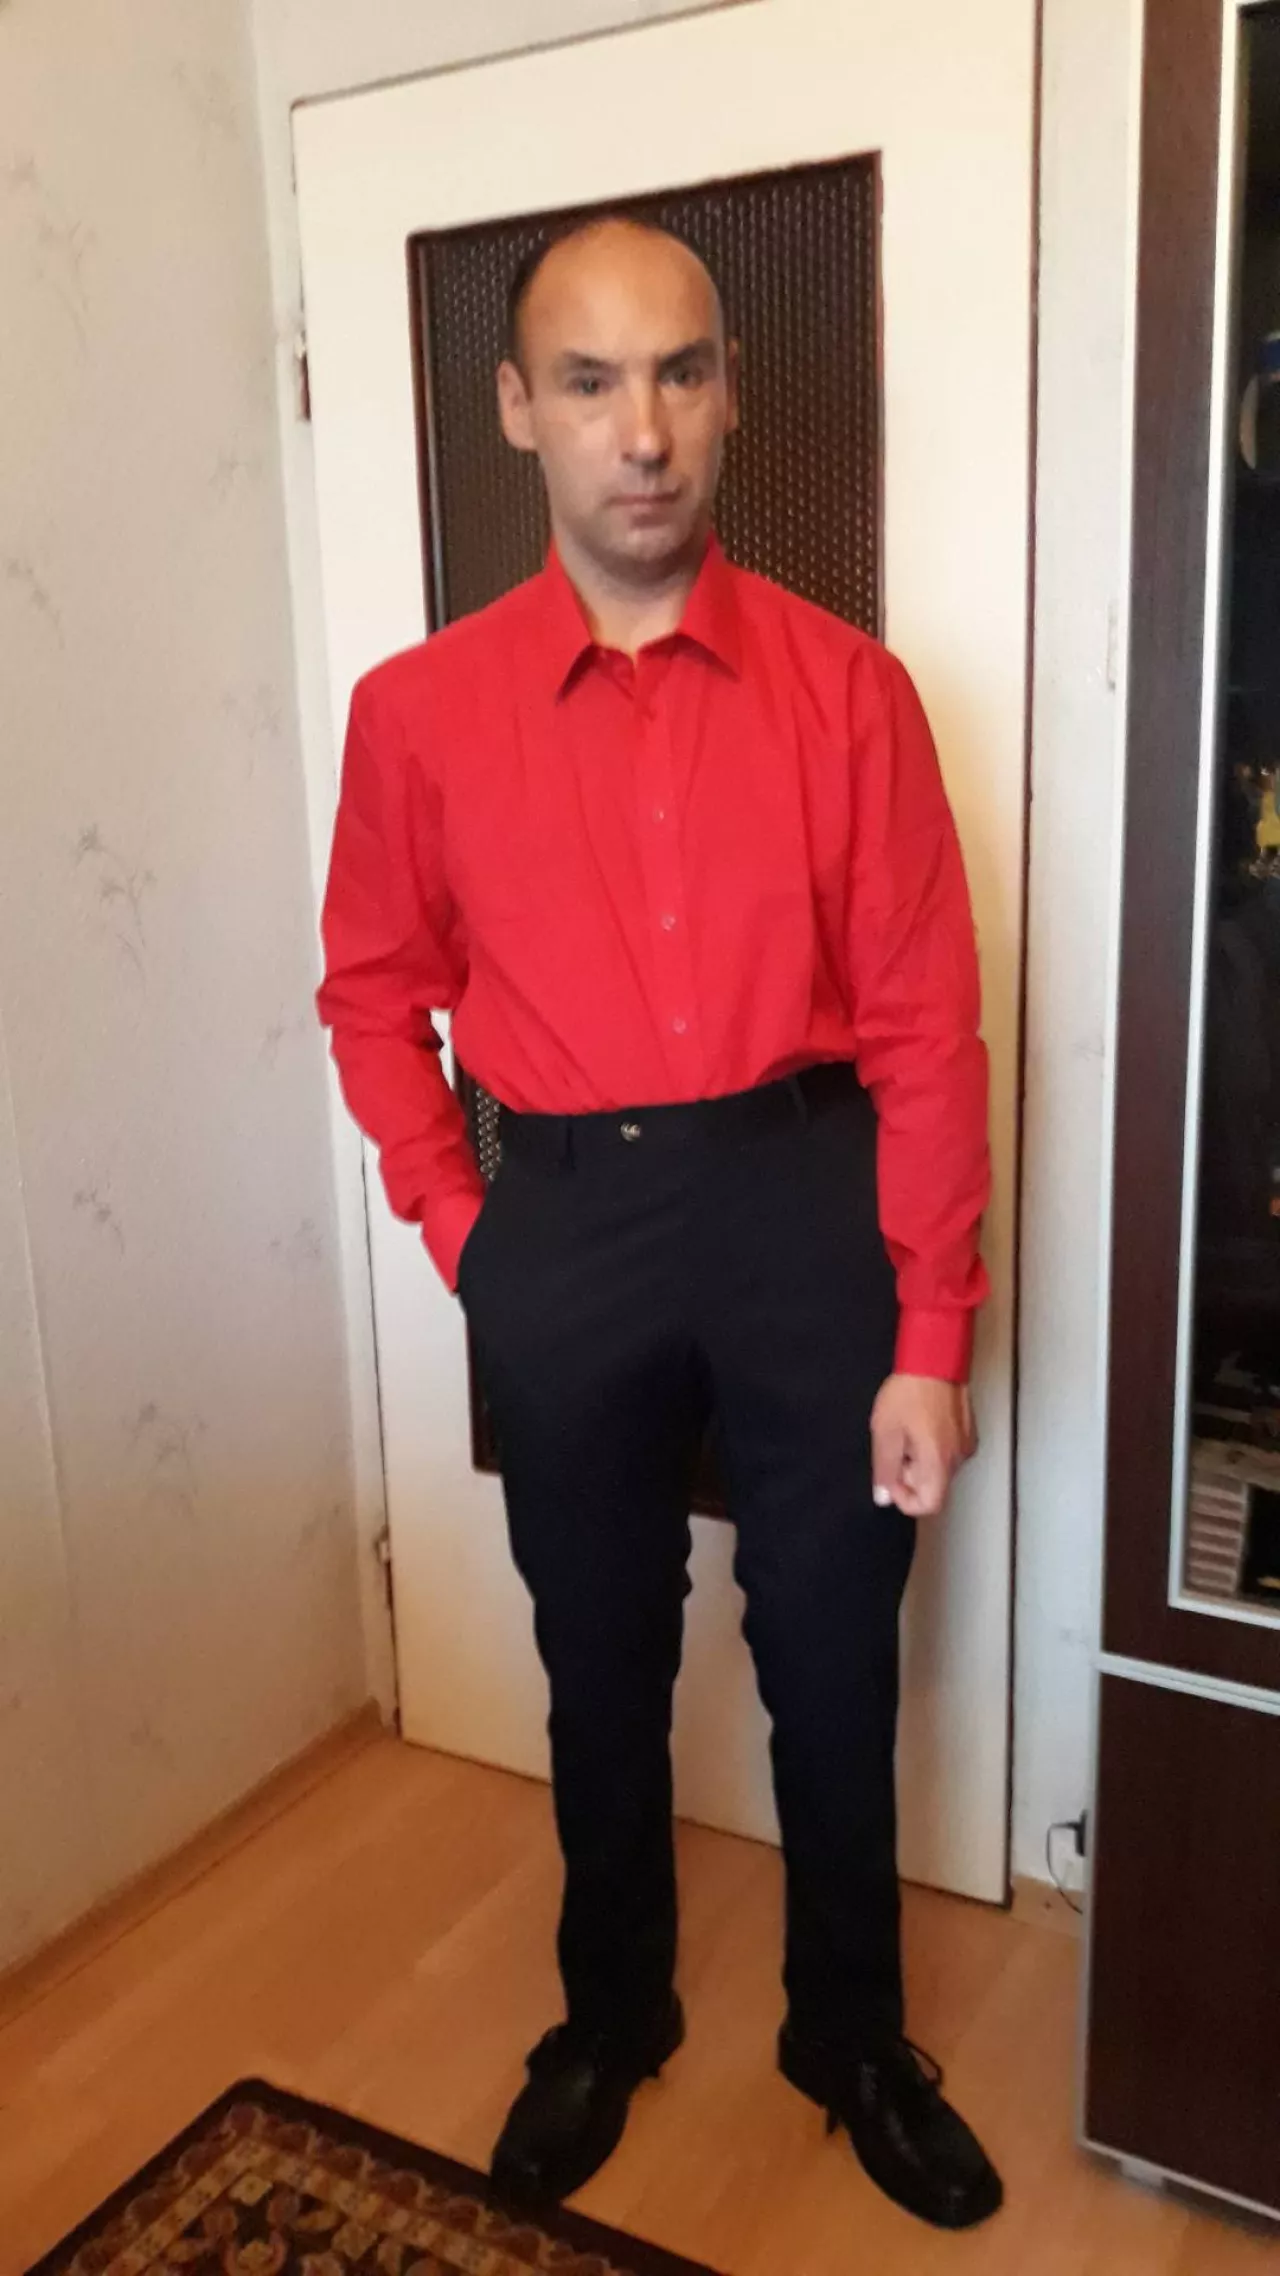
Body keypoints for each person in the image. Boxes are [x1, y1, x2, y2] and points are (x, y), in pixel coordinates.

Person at [316, 213, 1001, 2233]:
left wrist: (929, 1332)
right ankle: (607, 2016)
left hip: (808, 1206)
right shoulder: (420, 712)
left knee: (832, 1651)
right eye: (592, 380)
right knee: (596, 1651)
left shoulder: (850, 693)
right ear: (516, 409)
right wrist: (467, 1229)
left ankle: (850, 2037)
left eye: (681, 373)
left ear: (729, 397)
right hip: (568, 1218)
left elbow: (926, 1022)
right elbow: (372, 992)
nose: (643, 431)